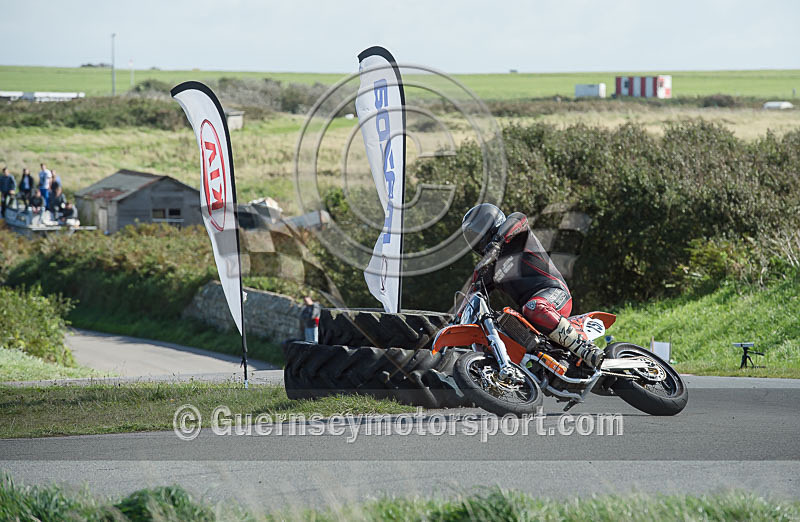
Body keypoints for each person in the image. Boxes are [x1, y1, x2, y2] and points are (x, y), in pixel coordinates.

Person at [461, 203, 605, 368]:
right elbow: (470, 297)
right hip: (529, 315)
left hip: (554, 292)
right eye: (472, 236)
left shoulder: (518, 235)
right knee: (502, 325)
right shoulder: (488, 269)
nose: (476, 239)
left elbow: (518, 217)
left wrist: (497, 241)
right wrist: (449, 321)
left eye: (477, 232)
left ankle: (587, 348)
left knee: (534, 306)